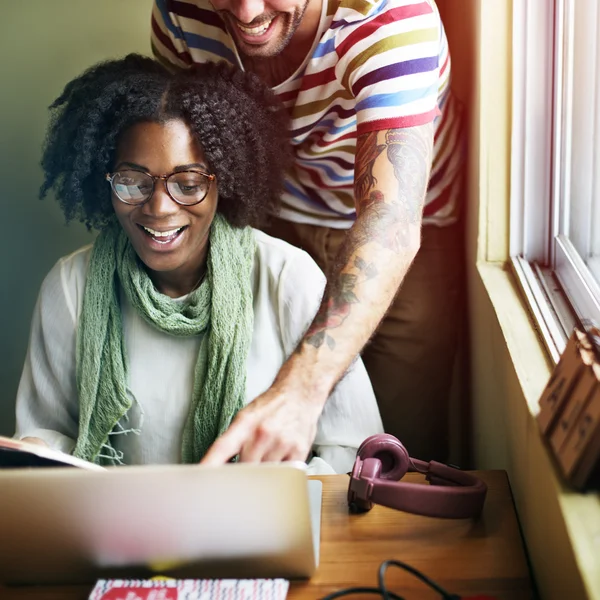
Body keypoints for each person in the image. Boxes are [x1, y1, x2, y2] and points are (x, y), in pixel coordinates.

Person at [14, 54, 383, 473]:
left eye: (187, 184)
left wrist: (280, 497)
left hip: (257, 532)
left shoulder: (287, 278)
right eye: (133, 181)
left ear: (223, 180)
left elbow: (353, 448)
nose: (159, 207)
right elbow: (47, 434)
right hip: (118, 533)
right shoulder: (70, 287)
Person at [150, 0, 465, 462]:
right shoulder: (178, 11)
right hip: (270, 216)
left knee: (400, 449)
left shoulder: (392, 17)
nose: (246, 11)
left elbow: (390, 218)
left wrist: (300, 391)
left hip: (397, 235)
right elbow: (180, 142)